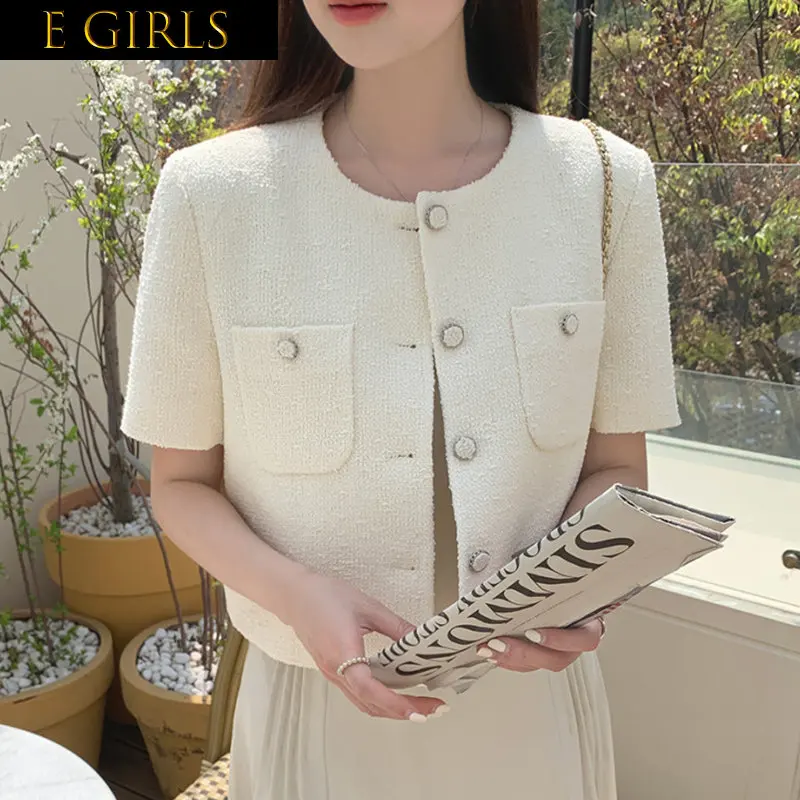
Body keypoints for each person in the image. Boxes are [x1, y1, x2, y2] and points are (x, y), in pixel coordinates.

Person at [120, 1, 682, 798]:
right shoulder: (213, 195)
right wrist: (298, 596)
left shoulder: (603, 184)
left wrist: (584, 591)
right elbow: (179, 486)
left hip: (532, 722)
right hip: (316, 716)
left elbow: (619, 468)